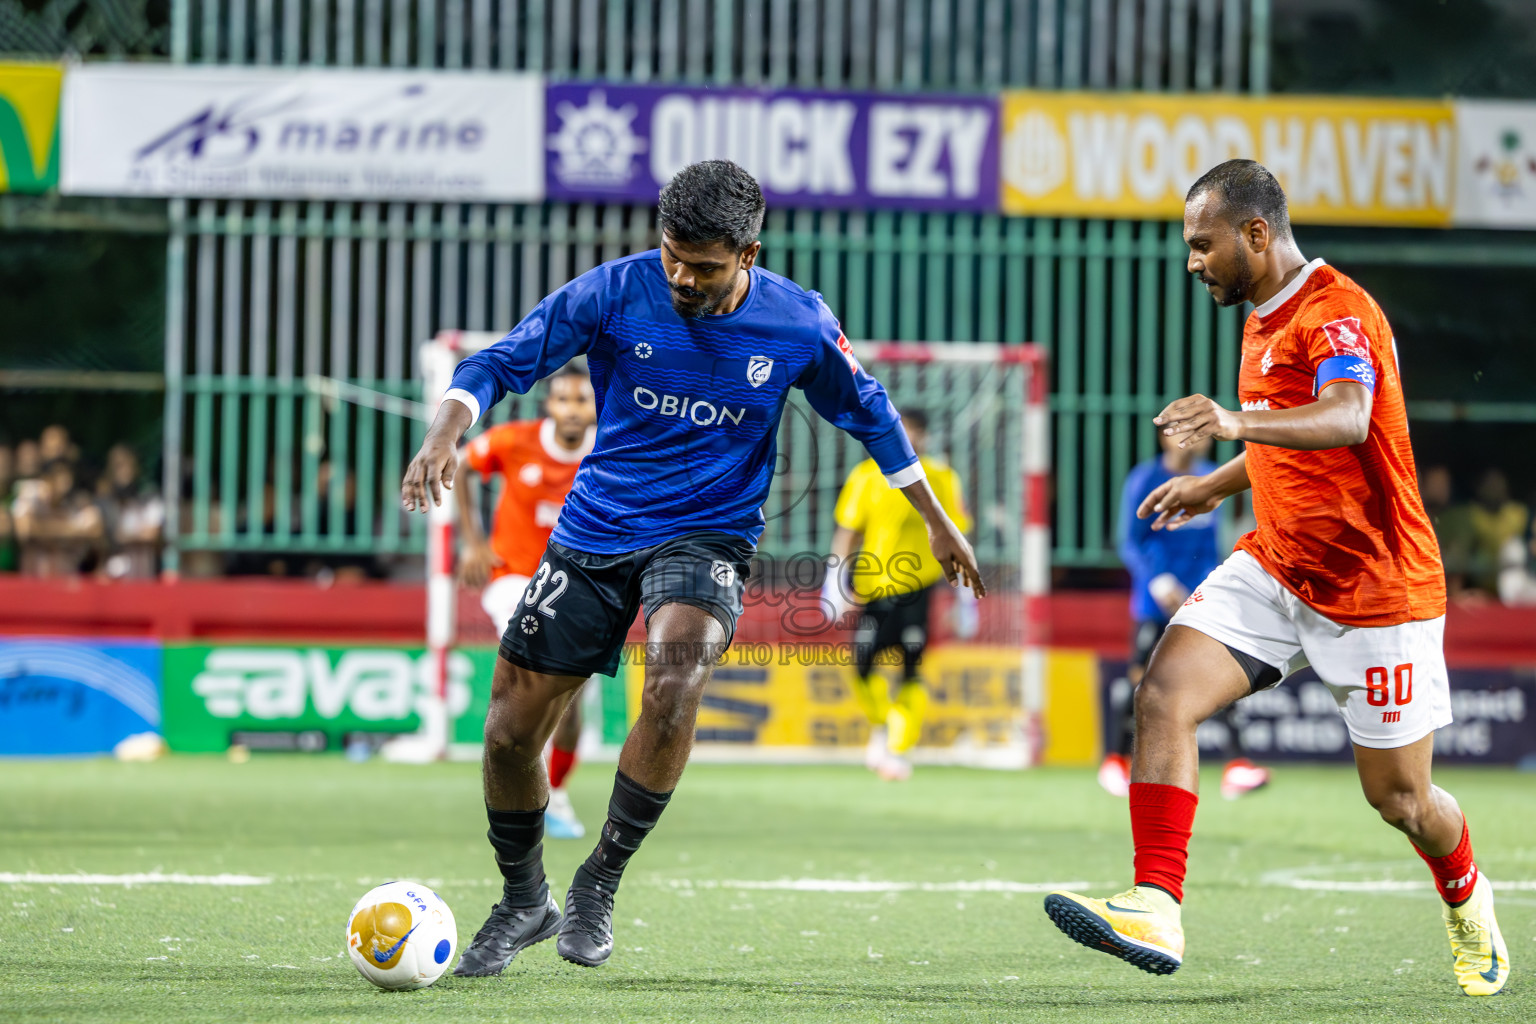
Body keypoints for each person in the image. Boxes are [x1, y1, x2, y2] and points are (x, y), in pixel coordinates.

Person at [400, 160, 983, 977]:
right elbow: (504, 359)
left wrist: (937, 520)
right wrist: (444, 432)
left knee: (675, 679)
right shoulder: (615, 290)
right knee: (508, 732)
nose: (681, 277)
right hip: (596, 527)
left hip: (709, 535)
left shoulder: (798, 322)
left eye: (704, 266)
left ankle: (600, 880)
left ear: (748, 254)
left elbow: (874, 415)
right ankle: (525, 899)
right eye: (673, 255)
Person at [1043, 159, 1508, 996]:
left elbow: (1346, 418)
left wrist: (1228, 423)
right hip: (1278, 562)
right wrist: (1217, 485)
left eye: (1202, 244)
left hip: (1375, 587)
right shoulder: (1263, 310)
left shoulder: (1335, 312)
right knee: (1162, 694)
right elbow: (1287, 436)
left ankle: (1466, 890)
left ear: (1256, 233)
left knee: (1402, 802)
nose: (1193, 262)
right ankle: (1155, 903)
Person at [456, 360, 598, 839]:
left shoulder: (613, 449)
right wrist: (473, 543)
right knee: (538, 666)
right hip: (515, 578)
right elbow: (462, 466)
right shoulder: (515, 441)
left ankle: (555, 791)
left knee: (573, 700)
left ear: (596, 406)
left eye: (582, 399)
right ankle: (520, 783)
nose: (572, 408)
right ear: (549, 404)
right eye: (563, 398)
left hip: (581, 583)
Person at [1101, 431, 1269, 801]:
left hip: (1198, 598)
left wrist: (1208, 586)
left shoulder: (1210, 476)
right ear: (1164, 438)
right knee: (1142, 678)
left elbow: (1211, 546)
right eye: (1186, 433)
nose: (1195, 441)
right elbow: (1130, 541)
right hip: (1154, 600)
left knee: (1222, 671)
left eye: (1202, 434)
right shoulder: (1144, 479)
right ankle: (1115, 761)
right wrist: (1158, 581)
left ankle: (1237, 765)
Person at [823, 409, 974, 781]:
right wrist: (834, 582)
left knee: (911, 667)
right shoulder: (866, 476)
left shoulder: (941, 477)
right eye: (903, 430)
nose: (909, 437)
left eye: (915, 432)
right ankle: (883, 725)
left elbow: (956, 534)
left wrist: (964, 597)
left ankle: (898, 748)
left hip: (918, 588)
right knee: (862, 663)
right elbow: (848, 531)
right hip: (874, 587)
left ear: (924, 437)